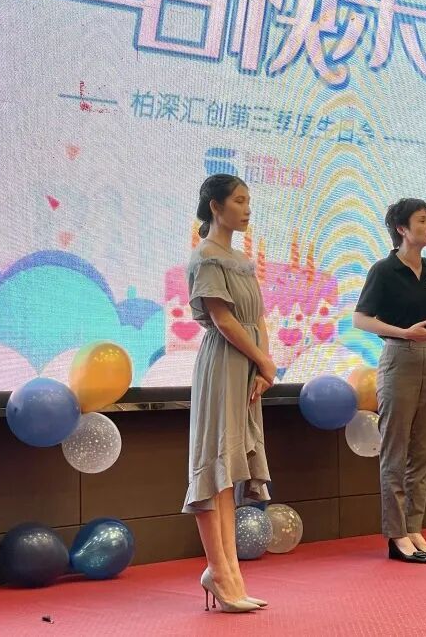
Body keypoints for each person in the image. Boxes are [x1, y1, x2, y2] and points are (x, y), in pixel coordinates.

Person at [183, 174, 275, 612]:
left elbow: (257, 318)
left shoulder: (240, 259)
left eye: (248, 200)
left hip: (247, 366)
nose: (246, 208)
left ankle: (230, 574)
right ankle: (220, 573)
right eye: (238, 200)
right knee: (215, 469)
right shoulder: (205, 256)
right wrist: (262, 360)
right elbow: (223, 320)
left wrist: (264, 364)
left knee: (232, 471)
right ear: (215, 207)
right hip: (223, 364)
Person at [353, 198, 426, 564]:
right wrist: (403, 332)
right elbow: (360, 319)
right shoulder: (384, 270)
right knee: (396, 451)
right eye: (421, 220)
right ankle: (396, 534)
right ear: (402, 229)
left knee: (423, 451)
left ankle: (414, 527)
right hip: (398, 357)